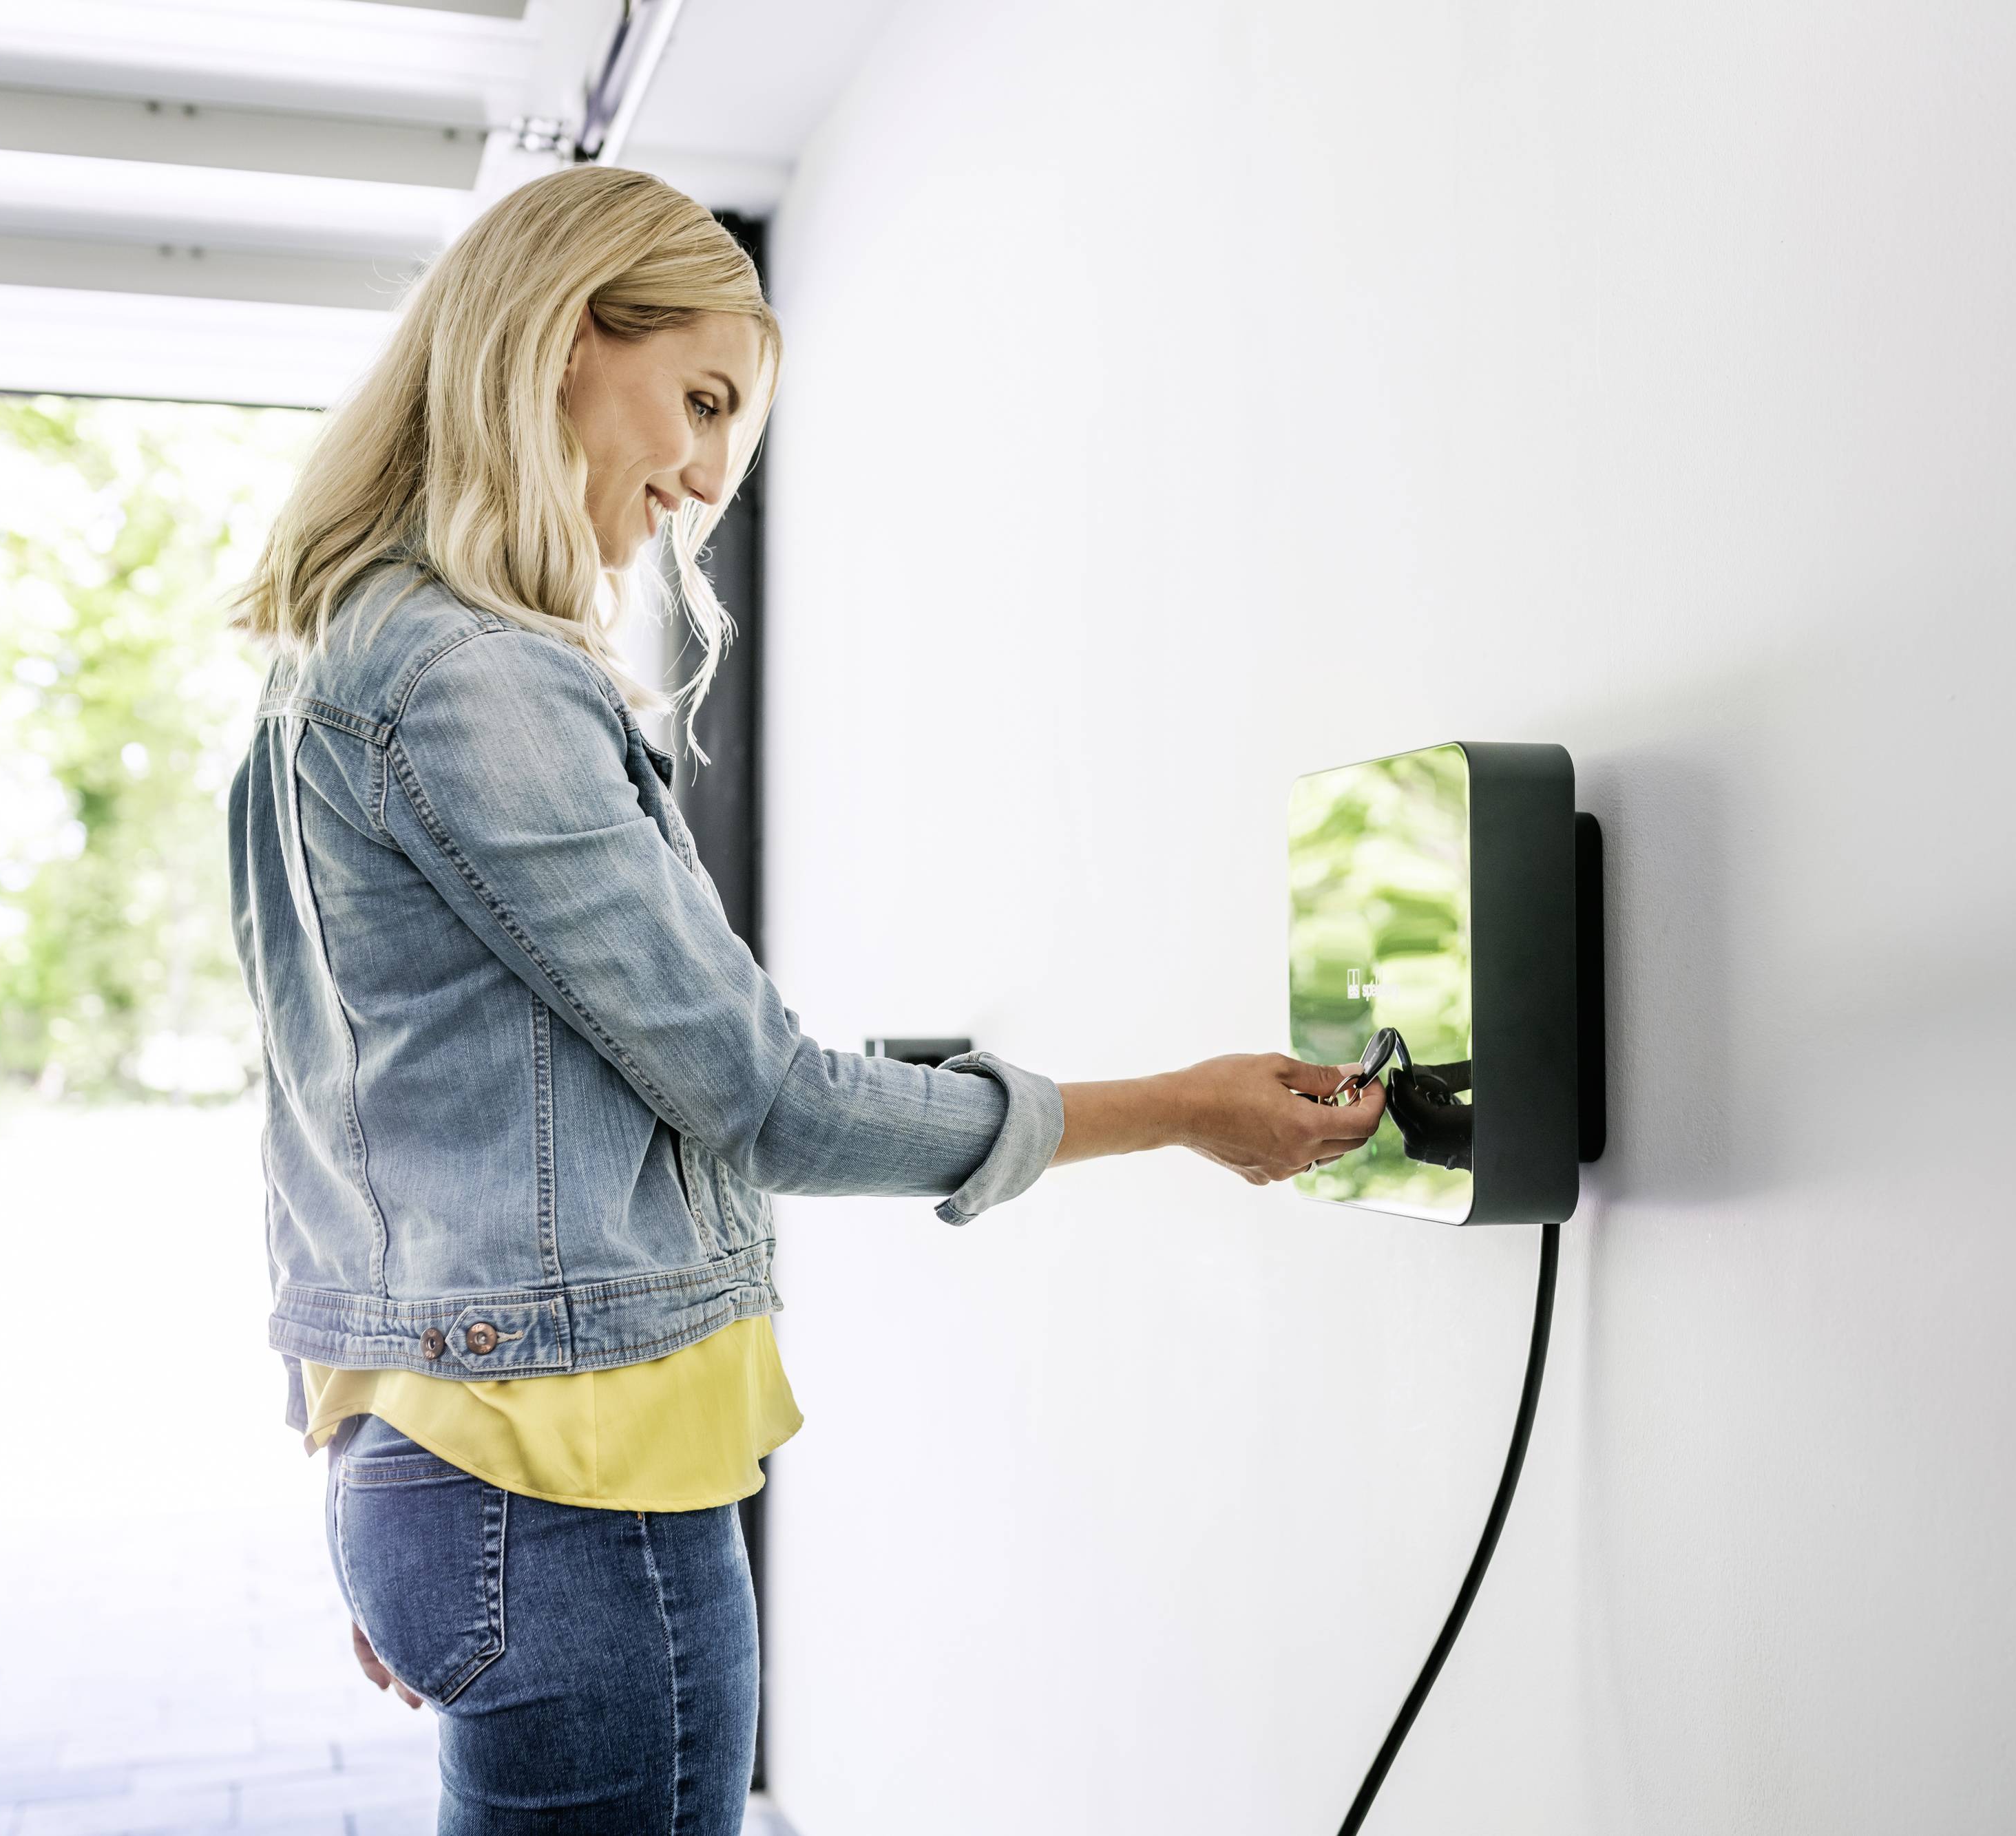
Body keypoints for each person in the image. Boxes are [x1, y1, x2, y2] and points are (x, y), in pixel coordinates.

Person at [226, 165, 1382, 1833]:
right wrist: (1180, 1110)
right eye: (698, 404)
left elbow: (323, 1120)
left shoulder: (324, 664)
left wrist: (384, 1481)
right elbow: (766, 1097)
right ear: (557, 337)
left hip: (444, 1461)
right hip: (571, 1479)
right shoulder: (478, 673)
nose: (699, 481)